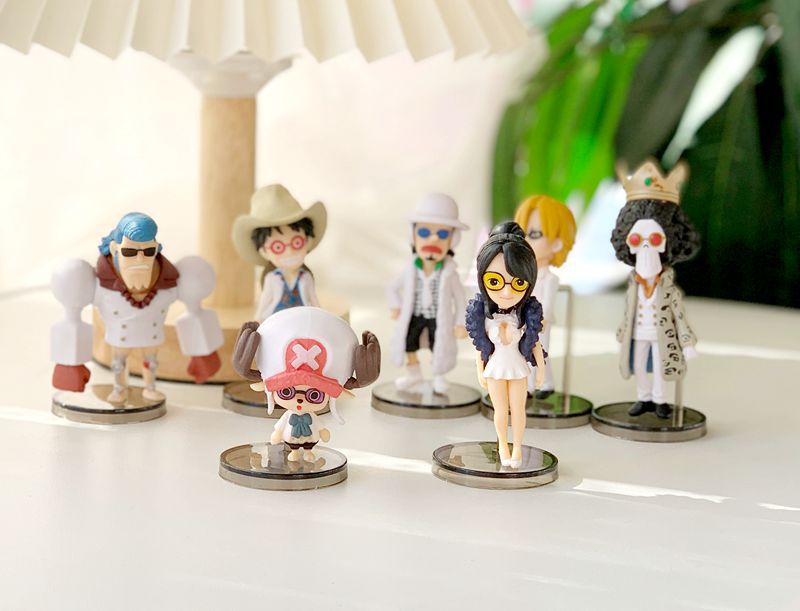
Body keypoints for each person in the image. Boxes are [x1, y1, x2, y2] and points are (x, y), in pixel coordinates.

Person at [51, 212, 222, 403]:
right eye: (130, 252)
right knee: (119, 363)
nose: (140, 259)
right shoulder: (100, 287)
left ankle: (150, 388)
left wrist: (202, 354)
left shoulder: (169, 283)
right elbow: (72, 317)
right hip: (119, 339)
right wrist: (70, 365)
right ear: (115, 249)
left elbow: (194, 309)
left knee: (151, 362)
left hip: (151, 337)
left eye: (148, 252)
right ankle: (119, 388)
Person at [612, 159, 700, 418]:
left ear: (667, 243)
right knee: (639, 365)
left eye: (654, 239)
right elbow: (628, 312)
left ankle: (661, 400)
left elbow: (679, 316)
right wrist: (622, 334)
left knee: (662, 366)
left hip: (662, 333)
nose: (646, 248)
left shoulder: (669, 288)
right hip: (638, 333)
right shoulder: (633, 285)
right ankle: (644, 398)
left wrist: (687, 342)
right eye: (637, 240)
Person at [466, 222, 546, 468]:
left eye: (518, 283)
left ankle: (518, 446)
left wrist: (541, 371)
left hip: (518, 367)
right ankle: (503, 444)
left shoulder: (524, 316)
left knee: (518, 410)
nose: (507, 292)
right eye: (495, 282)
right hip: (495, 369)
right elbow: (480, 347)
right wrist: (480, 370)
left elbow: (534, 344)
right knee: (500, 411)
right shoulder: (485, 316)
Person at [387, 193, 469, 395]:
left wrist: (461, 323)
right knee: (409, 343)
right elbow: (393, 287)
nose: (433, 239)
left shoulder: (449, 273)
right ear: (413, 235)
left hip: (437, 318)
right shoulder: (410, 269)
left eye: (442, 234)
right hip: (414, 315)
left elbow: (460, 300)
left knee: (437, 345)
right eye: (424, 232)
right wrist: (395, 305)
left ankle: (438, 376)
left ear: (452, 239)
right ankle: (414, 374)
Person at [232, 184, 325, 321]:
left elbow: (314, 301)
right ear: (264, 252)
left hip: (303, 322)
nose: (290, 251)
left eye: (297, 242)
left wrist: (322, 319)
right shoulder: (271, 279)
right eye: (278, 247)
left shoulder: (306, 278)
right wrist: (257, 322)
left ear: (308, 241)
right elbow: (264, 304)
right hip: (276, 323)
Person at [514, 194, 576, 398]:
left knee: (536, 352)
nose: (526, 240)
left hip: (540, 322)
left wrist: (543, 319)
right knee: (530, 351)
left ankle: (530, 386)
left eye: (535, 234)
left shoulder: (549, 278)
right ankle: (547, 384)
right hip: (523, 319)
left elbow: (547, 303)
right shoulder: (523, 275)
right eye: (522, 233)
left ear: (557, 243)